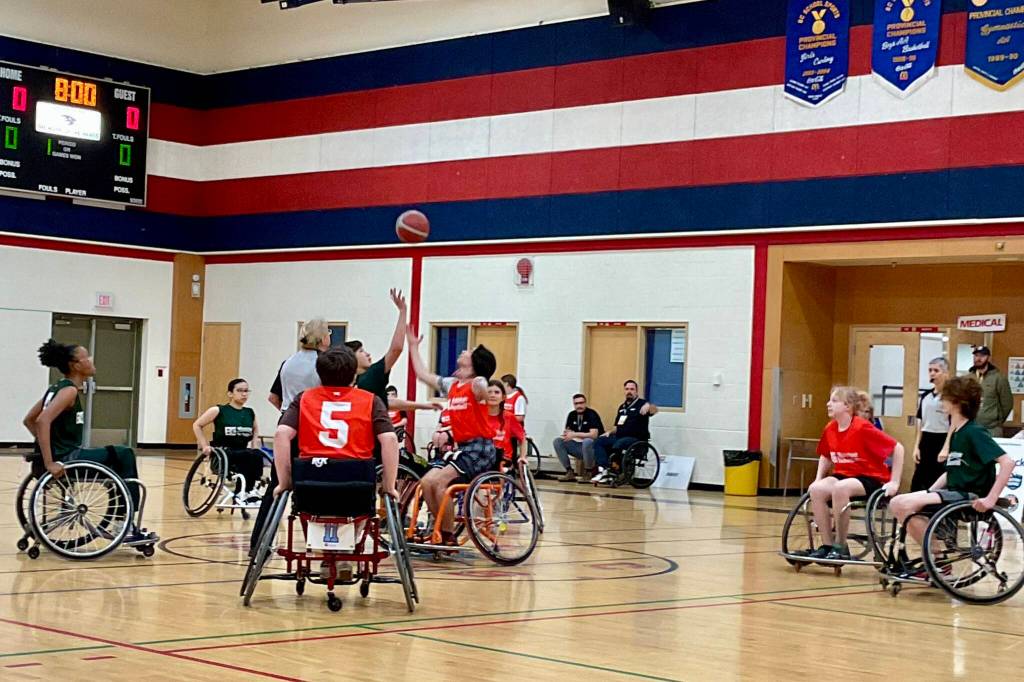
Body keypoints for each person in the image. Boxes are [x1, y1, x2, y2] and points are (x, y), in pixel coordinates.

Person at [271, 347, 399, 582]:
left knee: (310, 504)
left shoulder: (304, 398)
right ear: (354, 374)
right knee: (360, 506)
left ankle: (325, 555)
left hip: (311, 483)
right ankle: (344, 555)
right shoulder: (371, 400)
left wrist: (284, 481)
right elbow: (390, 440)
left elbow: (281, 435)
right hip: (356, 485)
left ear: (319, 374)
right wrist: (389, 486)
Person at [22, 339, 156, 544]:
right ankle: (125, 524)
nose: (92, 360)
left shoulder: (56, 388)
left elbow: (29, 420)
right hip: (68, 458)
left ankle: (121, 517)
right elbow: (41, 421)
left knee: (117, 459)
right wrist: (50, 461)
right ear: (75, 365)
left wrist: (48, 447)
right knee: (125, 454)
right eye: (87, 357)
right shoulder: (68, 391)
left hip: (64, 455)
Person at [889, 375, 1014, 577]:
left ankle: (937, 560)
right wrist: (928, 492)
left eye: (945, 397)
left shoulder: (975, 432)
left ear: (956, 402)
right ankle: (937, 559)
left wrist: (990, 499)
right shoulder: (957, 432)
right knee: (899, 503)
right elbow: (951, 472)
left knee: (901, 504)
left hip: (969, 496)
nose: (941, 401)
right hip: (954, 492)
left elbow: (1007, 462)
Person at [405, 325, 496, 545]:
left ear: (475, 362)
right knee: (427, 482)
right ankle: (441, 531)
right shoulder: (452, 384)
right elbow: (422, 374)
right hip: (461, 449)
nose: (464, 350)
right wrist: (413, 346)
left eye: (470, 351)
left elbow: (482, 386)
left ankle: (447, 535)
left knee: (439, 483)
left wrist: (482, 384)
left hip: (480, 448)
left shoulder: (476, 384)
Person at [799, 386, 903, 561]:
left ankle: (840, 546)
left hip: (870, 477)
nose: (828, 404)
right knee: (817, 490)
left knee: (840, 488)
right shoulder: (830, 428)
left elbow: (898, 448)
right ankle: (827, 545)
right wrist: (818, 479)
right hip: (844, 475)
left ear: (847, 406)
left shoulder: (862, 427)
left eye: (834, 401)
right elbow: (826, 454)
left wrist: (895, 482)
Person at [192, 378, 265, 496]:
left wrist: (254, 446)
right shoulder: (218, 410)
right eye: (240, 390)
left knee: (256, 454)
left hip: (242, 451)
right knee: (247, 456)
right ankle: (243, 492)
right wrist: (205, 446)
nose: (244, 394)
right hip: (223, 452)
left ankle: (248, 490)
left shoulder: (250, 412)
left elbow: (255, 430)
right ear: (230, 393)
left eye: (246, 391)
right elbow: (197, 425)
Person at [591, 380, 658, 484]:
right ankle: (604, 469)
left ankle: (615, 471)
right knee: (599, 441)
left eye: (632, 389)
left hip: (636, 439)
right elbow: (617, 427)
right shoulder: (622, 407)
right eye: (627, 389)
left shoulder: (642, 404)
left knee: (619, 443)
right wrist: (609, 432)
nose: (629, 391)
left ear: (636, 391)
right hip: (620, 436)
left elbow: (655, 410)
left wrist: (648, 405)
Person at [911, 357, 951, 492]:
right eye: (930, 370)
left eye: (936, 370)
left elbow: (953, 423)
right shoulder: (925, 396)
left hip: (942, 438)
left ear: (945, 373)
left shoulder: (950, 397)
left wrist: (946, 447)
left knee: (938, 477)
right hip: (926, 439)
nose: (932, 373)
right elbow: (920, 421)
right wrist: (916, 447)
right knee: (919, 478)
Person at [553, 393, 603, 482]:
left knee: (587, 441)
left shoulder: (591, 414)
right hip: (578, 446)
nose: (579, 406)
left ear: (585, 403)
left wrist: (575, 434)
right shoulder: (572, 415)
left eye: (581, 403)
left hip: (592, 448)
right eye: (576, 404)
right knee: (558, 441)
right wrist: (568, 435)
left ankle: (588, 472)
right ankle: (569, 471)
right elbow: (568, 433)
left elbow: (594, 435)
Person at [968, 346, 1014, 437]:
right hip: (971, 427)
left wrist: (997, 420)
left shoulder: (999, 378)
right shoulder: (968, 378)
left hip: (991, 429)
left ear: (988, 357)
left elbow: (1007, 404)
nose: (978, 358)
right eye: (976, 355)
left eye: (982, 356)